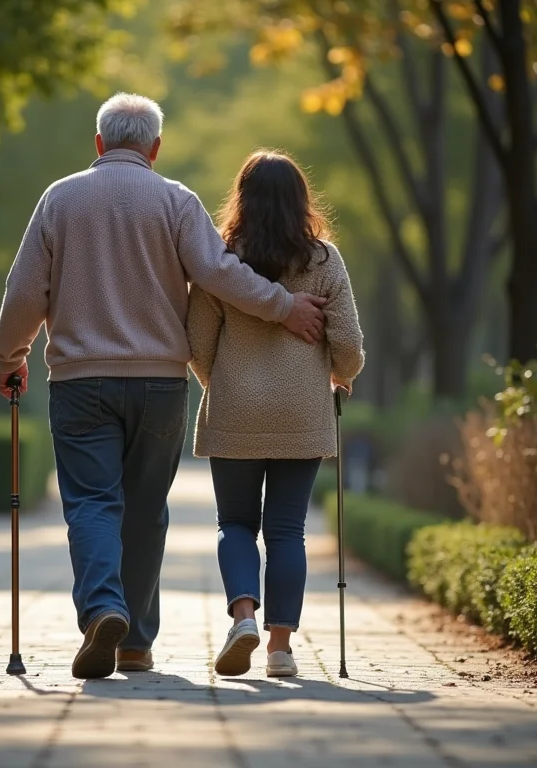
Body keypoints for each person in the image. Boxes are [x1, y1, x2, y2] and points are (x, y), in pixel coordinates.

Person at [0, 94, 328, 680]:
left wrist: (9, 356)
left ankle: (104, 608)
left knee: (94, 503)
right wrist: (283, 307)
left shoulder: (59, 199)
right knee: (145, 510)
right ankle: (135, 644)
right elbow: (220, 273)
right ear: (155, 147)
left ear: (99, 144)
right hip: (160, 386)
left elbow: (25, 292)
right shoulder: (176, 200)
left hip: (80, 380)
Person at [186, 150, 365, 678]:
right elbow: (349, 346)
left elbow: (197, 343)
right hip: (303, 412)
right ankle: (280, 650)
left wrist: (221, 384)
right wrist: (341, 373)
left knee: (235, 524)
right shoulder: (324, 261)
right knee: (287, 530)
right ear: (300, 201)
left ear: (242, 200)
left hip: (236, 408)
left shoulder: (222, 262)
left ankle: (243, 614)